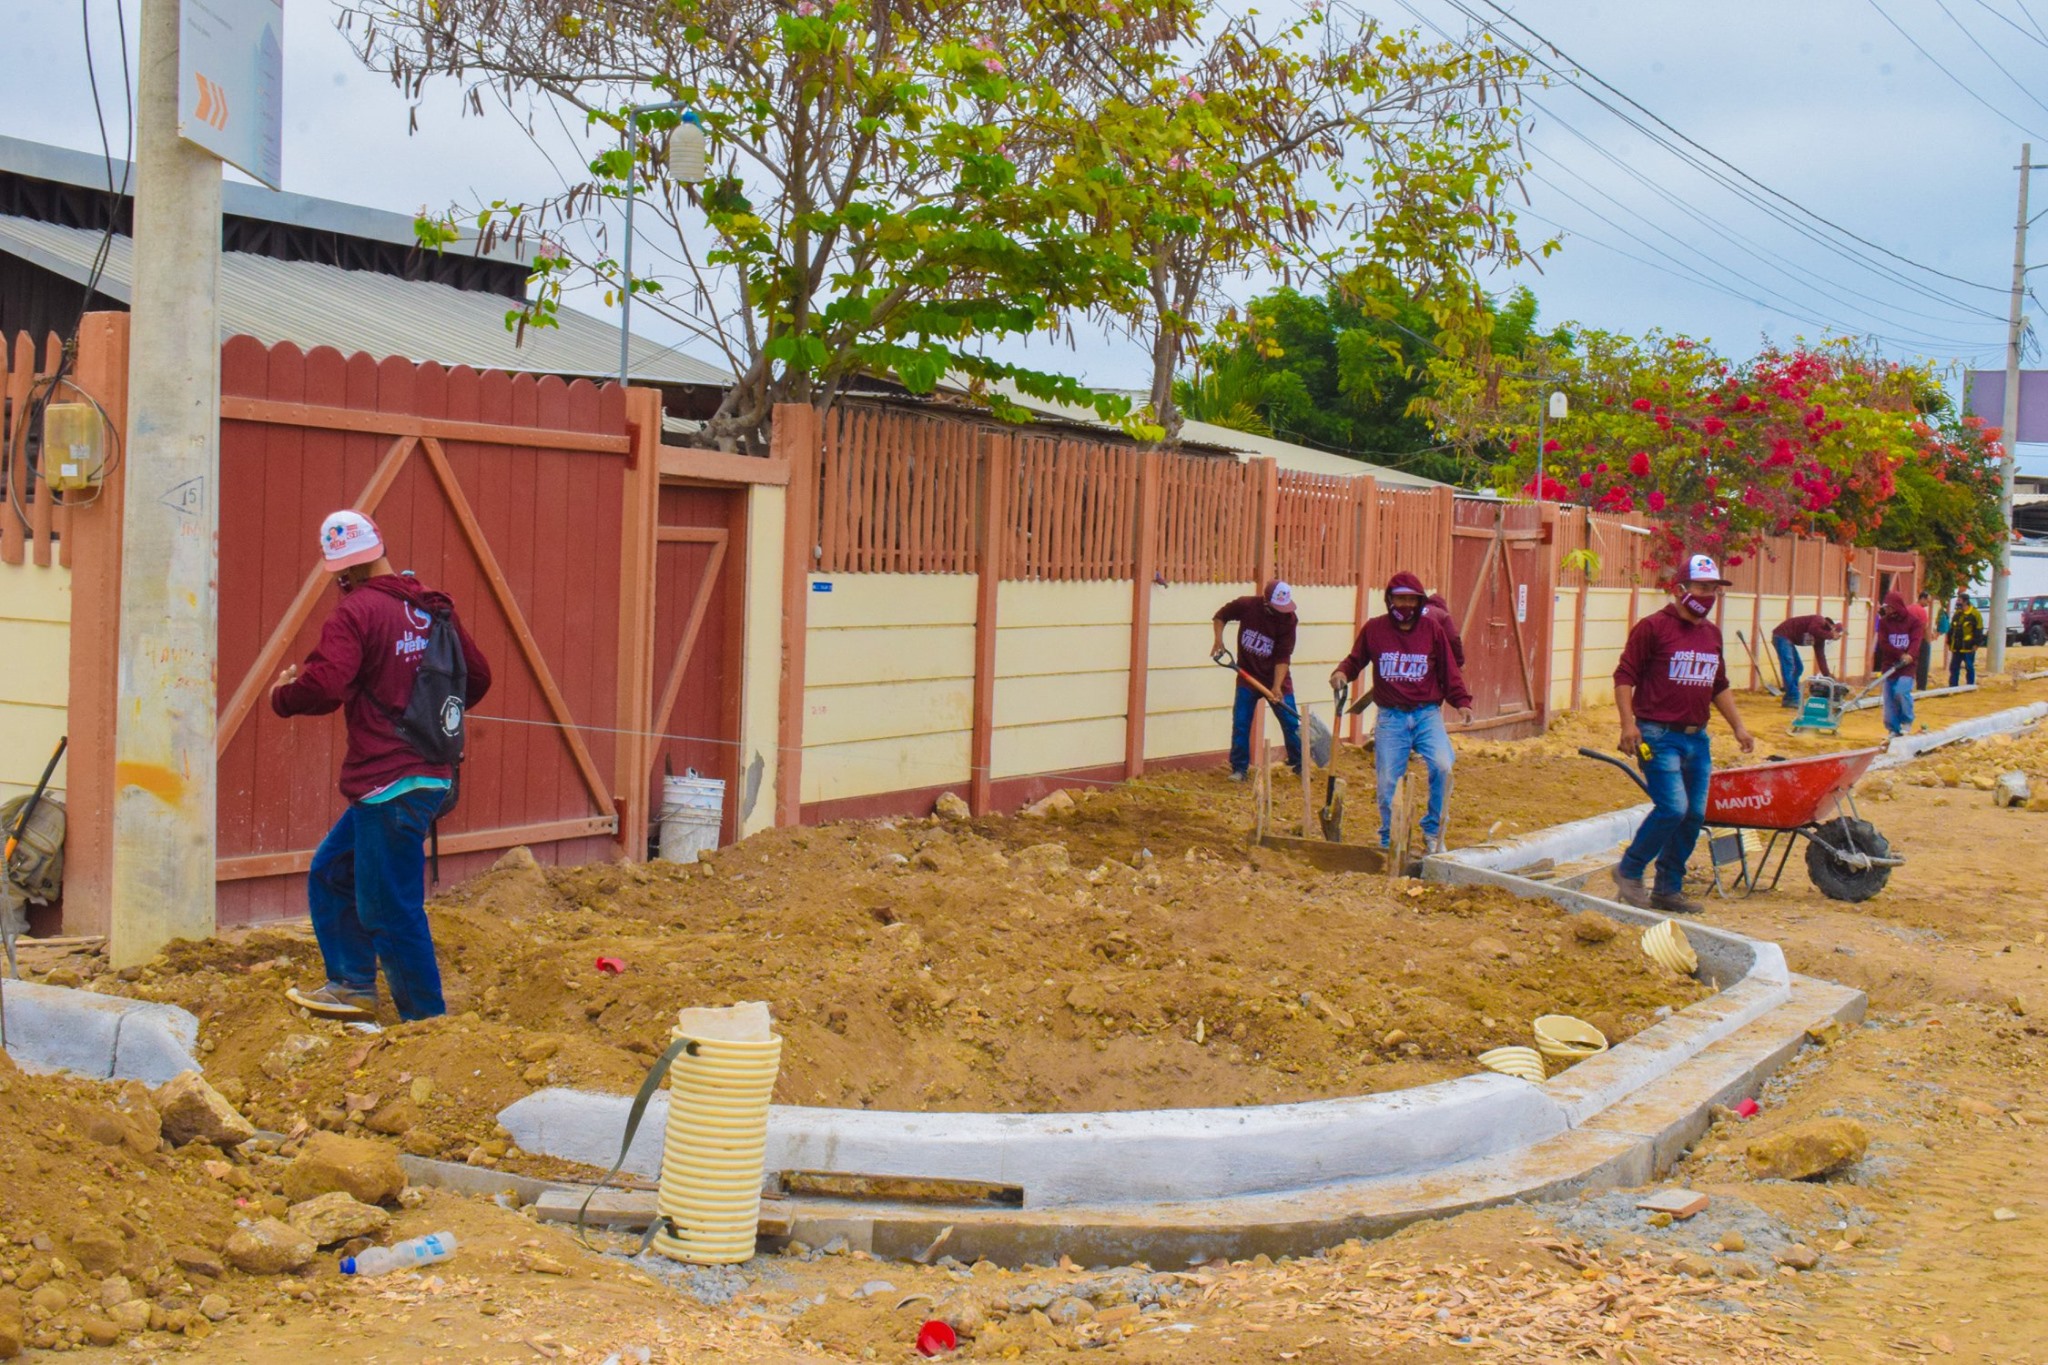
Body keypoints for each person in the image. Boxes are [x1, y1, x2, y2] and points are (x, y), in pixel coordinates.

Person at [271, 510, 492, 1021]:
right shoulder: (433, 607)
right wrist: (428, 715)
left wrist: (283, 696)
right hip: (430, 775)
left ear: (341, 569)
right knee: (333, 872)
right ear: (380, 548)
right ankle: (352, 985)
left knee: (390, 906)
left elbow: (325, 685)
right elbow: (476, 677)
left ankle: (426, 1021)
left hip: (387, 782)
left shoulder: (356, 612)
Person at [1611, 554, 1756, 914]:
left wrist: (1738, 727)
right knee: (1672, 808)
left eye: (1714, 589)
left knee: (1693, 815)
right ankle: (1629, 870)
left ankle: (1667, 889)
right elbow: (1624, 676)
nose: (1709, 596)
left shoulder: (1712, 634)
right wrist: (1628, 724)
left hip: (1697, 738)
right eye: (1702, 587)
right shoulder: (1653, 628)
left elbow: (1718, 684)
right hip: (1657, 735)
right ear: (1680, 589)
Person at [1329, 572, 1473, 855]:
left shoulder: (1432, 630)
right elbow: (1355, 660)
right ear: (1389, 600)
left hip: (1426, 715)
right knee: (1387, 781)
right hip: (1391, 717)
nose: (1406, 605)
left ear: (1419, 602)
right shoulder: (1375, 629)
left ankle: (1433, 831)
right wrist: (1341, 673)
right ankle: (1389, 838)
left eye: (1411, 599)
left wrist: (1462, 702)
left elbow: (1449, 671)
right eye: (1400, 599)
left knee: (1443, 765)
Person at [1212, 580, 1300, 781]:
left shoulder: (1289, 620)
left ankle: (1299, 765)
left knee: (1290, 722)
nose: (1281, 612)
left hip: (1276, 677)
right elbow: (1220, 616)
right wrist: (1218, 640)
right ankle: (1239, 769)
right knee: (1241, 722)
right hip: (1248, 676)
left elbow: (1283, 656)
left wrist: (1276, 687)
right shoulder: (1247, 605)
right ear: (1266, 602)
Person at [1874, 590, 1924, 738]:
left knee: (1901, 690)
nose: (1887, 610)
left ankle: (1907, 721)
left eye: (1890, 607)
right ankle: (1893, 729)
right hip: (1890, 664)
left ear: (1897, 606)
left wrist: (1910, 655)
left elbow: (1916, 641)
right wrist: (1900, 654)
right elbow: (1883, 643)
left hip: (1907, 665)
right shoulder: (1884, 623)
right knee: (1889, 698)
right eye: (1886, 607)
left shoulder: (1914, 622)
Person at [1768, 614, 1841, 709]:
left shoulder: (1820, 639)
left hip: (1788, 639)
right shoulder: (1819, 620)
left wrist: (1828, 677)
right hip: (1782, 636)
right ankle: (1793, 697)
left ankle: (1789, 698)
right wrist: (1830, 635)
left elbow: (1821, 658)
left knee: (1798, 668)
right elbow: (1813, 629)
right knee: (1789, 667)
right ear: (1832, 628)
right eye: (1836, 634)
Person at [1947, 591, 1986, 687]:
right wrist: (1949, 641)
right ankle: (1953, 686)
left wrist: (1976, 644)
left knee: (1969, 666)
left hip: (1968, 648)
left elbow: (1979, 630)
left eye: (1959, 600)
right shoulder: (1957, 613)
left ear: (1965, 601)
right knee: (1954, 667)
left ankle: (1970, 685)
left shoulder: (1975, 614)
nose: (1957, 602)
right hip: (1956, 647)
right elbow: (1952, 629)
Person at [1912, 591, 1935, 690]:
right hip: (1920, 640)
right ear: (1922, 598)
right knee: (1923, 664)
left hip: (1910, 640)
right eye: (1927, 601)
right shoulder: (1921, 611)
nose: (1927, 604)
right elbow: (1924, 628)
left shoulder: (1909, 608)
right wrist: (1928, 641)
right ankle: (1921, 686)